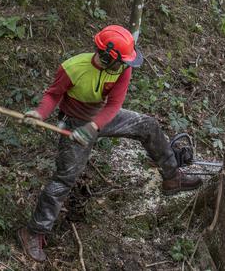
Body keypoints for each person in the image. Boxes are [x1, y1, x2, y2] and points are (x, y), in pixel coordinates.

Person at [17, 25, 202, 262]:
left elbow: (114, 105)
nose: (125, 66)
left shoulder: (122, 68)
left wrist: (93, 127)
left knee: (148, 125)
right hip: (73, 121)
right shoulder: (73, 68)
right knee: (64, 179)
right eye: (121, 62)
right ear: (106, 56)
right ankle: (33, 231)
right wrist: (39, 114)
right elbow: (53, 94)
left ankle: (172, 177)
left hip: (102, 116)